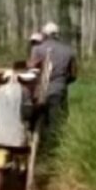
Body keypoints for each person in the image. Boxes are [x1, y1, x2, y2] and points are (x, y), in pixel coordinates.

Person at [0, 63, 36, 190]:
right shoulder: (25, 91)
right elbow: (28, 113)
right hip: (19, 138)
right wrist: (39, 108)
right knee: (22, 168)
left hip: (1, 137)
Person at [28, 22, 77, 150]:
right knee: (57, 122)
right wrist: (62, 82)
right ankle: (54, 150)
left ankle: (38, 148)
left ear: (45, 34)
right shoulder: (68, 50)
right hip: (59, 89)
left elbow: (32, 70)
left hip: (40, 91)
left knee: (38, 120)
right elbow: (73, 74)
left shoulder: (37, 49)